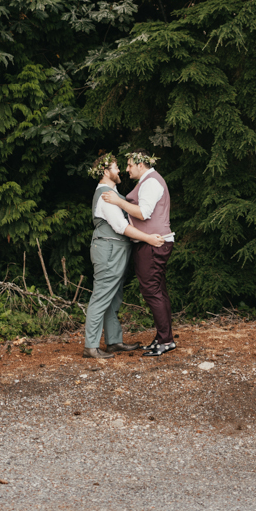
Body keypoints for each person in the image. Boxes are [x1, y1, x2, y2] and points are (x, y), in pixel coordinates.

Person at [83, 153, 165, 360]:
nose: (120, 170)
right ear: (105, 171)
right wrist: (148, 238)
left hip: (115, 250)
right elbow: (121, 226)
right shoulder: (104, 194)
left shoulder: (112, 193)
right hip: (109, 250)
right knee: (101, 296)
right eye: (115, 167)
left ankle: (114, 342)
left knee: (113, 298)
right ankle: (91, 346)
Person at [102, 150, 175, 357]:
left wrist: (118, 202)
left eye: (129, 165)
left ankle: (166, 340)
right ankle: (164, 337)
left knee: (151, 290)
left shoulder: (151, 182)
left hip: (153, 243)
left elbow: (144, 212)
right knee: (158, 289)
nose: (127, 169)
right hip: (151, 242)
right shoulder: (147, 181)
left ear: (140, 165)